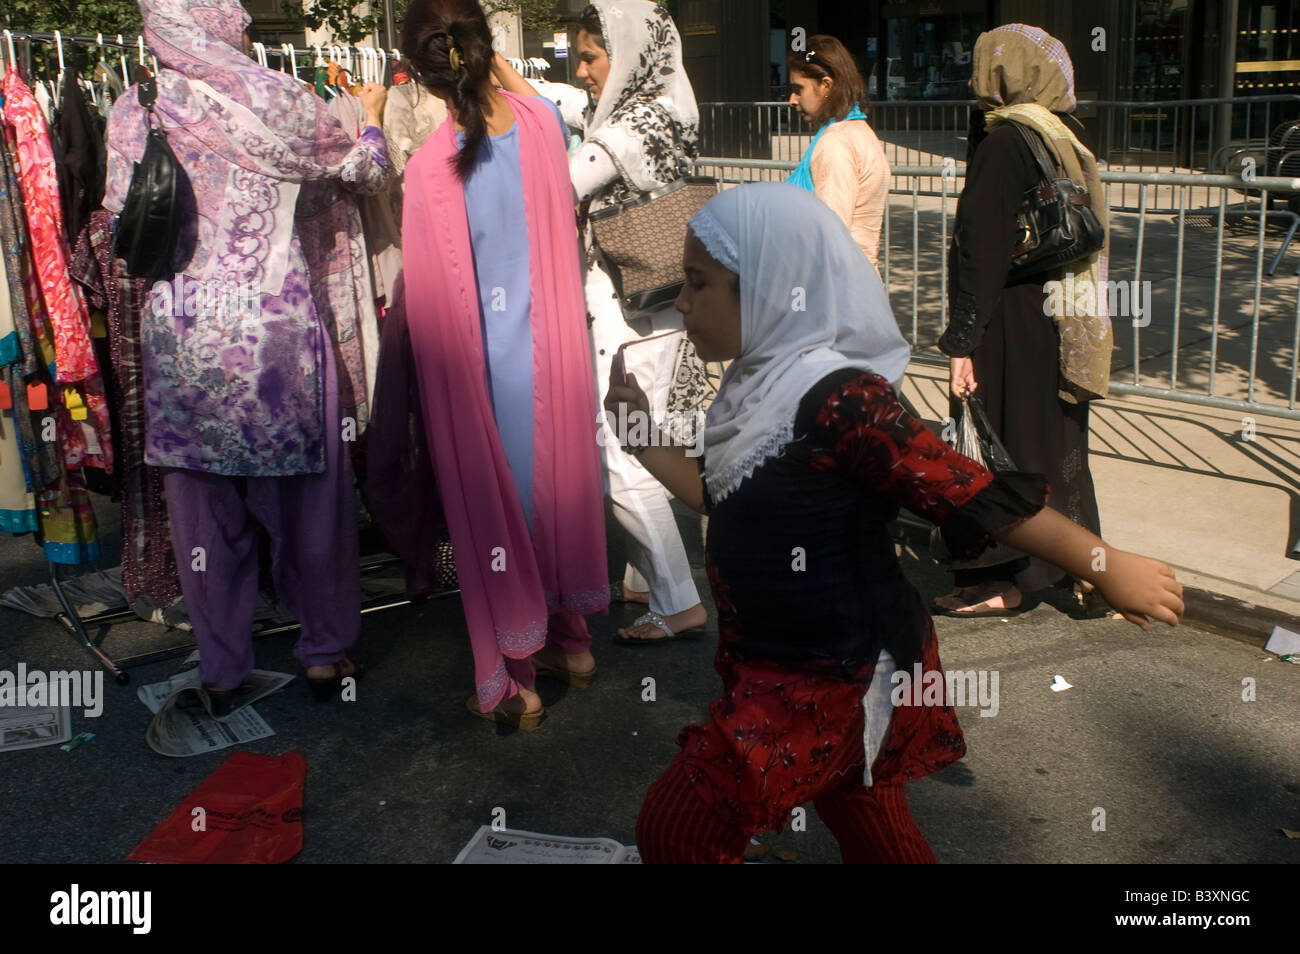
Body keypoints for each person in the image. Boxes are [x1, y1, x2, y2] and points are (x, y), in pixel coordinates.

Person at [607, 182, 1182, 863]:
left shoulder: (840, 398)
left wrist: (1104, 565)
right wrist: (638, 432)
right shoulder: (756, 385)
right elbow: (717, 494)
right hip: (791, 664)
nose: (681, 302)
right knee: (867, 816)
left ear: (767, 287)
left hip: (835, 677)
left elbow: (966, 491)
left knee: (680, 827)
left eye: (697, 284)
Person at [103, 0, 390, 711]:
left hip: (185, 338)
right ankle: (324, 652)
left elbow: (116, 212)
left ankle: (223, 667)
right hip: (276, 337)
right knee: (309, 510)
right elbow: (368, 173)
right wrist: (375, 118)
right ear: (223, 21)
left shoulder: (137, 105)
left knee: (204, 518)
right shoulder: (287, 99)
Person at [399, 0, 609, 729]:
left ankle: (512, 680)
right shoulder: (543, 125)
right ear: (485, 50)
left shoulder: (429, 170)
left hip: (486, 387)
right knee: (555, 504)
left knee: (498, 524)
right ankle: (574, 647)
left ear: (420, 75)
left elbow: (428, 315)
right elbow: (514, 93)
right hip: (554, 372)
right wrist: (483, 57)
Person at [496, 1, 708, 645]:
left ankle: (677, 602)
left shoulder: (641, 123)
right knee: (643, 443)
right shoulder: (647, 104)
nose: (582, 70)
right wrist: (502, 71)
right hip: (652, 311)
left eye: (591, 56)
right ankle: (645, 581)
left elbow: (561, 185)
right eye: (577, 56)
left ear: (630, 49)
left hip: (633, 317)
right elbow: (556, 103)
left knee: (623, 455)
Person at [934, 24, 1113, 619]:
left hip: (1011, 322)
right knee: (1052, 444)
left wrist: (963, 342)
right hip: (1059, 316)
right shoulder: (1062, 134)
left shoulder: (1006, 139)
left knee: (1002, 448)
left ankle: (1004, 578)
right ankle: (1076, 568)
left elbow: (981, 249)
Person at [786, 34, 890, 271]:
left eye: (798, 89)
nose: (792, 100)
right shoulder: (860, 131)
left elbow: (828, 238)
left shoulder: (835, 143)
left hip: (836, 293)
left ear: (826, 85)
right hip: (856, 287)